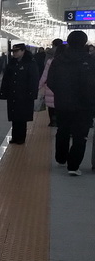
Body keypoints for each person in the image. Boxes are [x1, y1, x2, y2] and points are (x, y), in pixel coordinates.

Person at [47, 30, 95, 176]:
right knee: (80, 136)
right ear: (84, 42)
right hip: (84, 105)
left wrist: (61, 93)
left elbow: (51, 81)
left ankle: (61, 158)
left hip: (63, 103)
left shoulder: (58, 60)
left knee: (62, 130)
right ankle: (73, 167)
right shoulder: (90, 61)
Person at [0, 43, 39, 145]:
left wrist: (32, 94)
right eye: (13, 52)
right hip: (13, 94)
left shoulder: (30, 63)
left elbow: (34, 80)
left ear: (23, 51)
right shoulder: (12, 62)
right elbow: (6, 79)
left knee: (22, 118)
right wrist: (4, 92)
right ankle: (15, 137)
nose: (14, 54)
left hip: (24, 95)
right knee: (14, 117)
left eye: (16, 51)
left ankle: (21, 138)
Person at [37, 39, 64, 127]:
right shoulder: (67, 62)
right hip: (62, 88)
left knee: (51, 106)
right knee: (60, 106)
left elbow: (45, 75)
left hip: (50, 86)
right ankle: (59, 120)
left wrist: (38, 86)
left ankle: (52, 121)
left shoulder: (50, 60)